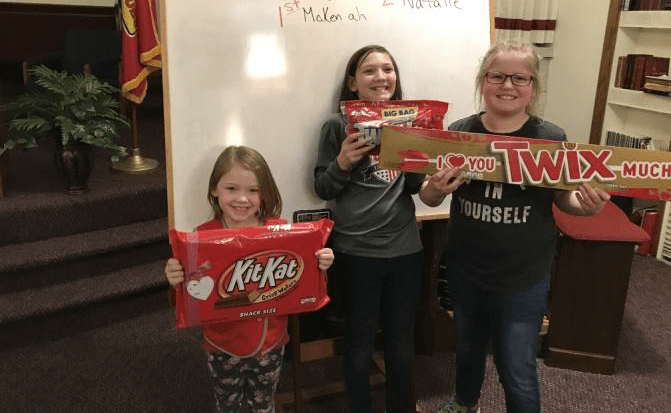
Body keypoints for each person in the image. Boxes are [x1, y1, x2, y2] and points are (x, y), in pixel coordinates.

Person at [419, 42, 610, 413]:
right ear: (483, 82)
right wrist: (436, 188)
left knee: (517, 368)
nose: (508, 85)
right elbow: (428, 196)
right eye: (497, 76)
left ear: (533, 88)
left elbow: (564, 199)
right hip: (466, 270)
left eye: (520, 78)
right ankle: (465, 403)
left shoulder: (550, 138)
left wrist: (585, 207)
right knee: (467, 349)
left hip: (523, 277)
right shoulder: (460, 132)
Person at [165, 145, 334, 413]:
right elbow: (190, 296)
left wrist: (320, 262)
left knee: (264, 404)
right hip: (222, 347)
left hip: (271, 345)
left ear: (264, 193)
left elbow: (301, 277)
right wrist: (176, 278)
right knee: (227, 406)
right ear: (215, 189)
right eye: (231, 188)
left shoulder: (280, 230)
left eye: (253, 190)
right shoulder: (201, 238)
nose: (242, 199)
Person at [314, 45, 426, 413]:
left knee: (400, 344)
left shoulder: (409, 123)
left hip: (405, 251)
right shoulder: (336, 126)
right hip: (355, 254)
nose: (381, 77)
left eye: (387, 69)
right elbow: (323, 188)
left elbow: (413, 187)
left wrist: (419, 157)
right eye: (369, 70)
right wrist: (343, 161)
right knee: (359, 344)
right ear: (352, 82)